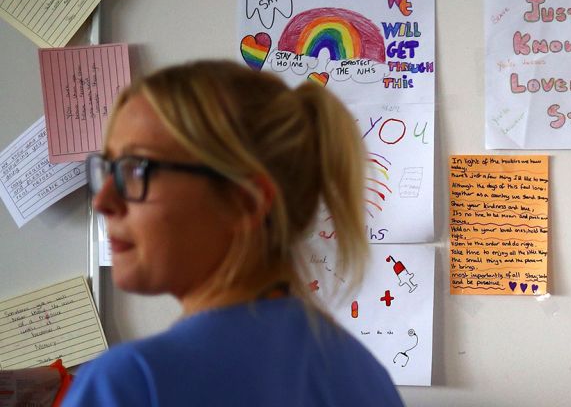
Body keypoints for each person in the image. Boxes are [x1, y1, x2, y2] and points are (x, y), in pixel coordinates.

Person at [63, 60, 404, 406]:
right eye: (107, 169)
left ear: (245, 202)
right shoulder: (366, 377)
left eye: (136, 169)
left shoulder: (131, 383)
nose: (104, 200)